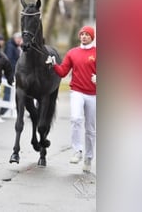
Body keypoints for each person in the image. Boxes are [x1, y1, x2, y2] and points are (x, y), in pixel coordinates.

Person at [46, 26, 96, 172]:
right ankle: (77, 150)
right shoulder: (73, 53)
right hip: (77, 91)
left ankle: (88, 157)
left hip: (94, 94)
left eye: (87, 34)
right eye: (82, 34)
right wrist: (54, 64)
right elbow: (62, 72)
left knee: (91, 129)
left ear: (92, 37)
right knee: (75, 118)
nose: (84, 37)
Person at [0, 32, 23, 115]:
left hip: (13, 71)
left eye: (20, 39)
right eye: (18, 38)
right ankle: (4, 109)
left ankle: (6, 109)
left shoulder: (16, 47)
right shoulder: (10, 46)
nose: (19, 40)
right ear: (14, 38)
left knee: (10, 91)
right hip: (10, 72)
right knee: (8, 90)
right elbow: (9, 60)